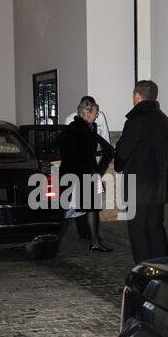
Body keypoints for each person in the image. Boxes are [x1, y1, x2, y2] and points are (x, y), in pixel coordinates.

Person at [114, 80, 168, 264]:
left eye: (133, 96)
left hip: (137, 184)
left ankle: (143, 271)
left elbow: (123, 151)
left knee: (138, 229)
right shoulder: (164, 121)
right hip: (158, 184)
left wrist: (118, 164)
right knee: (155, 227)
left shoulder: (136, 121)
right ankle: (161, 269)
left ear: (137, 96)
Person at [59, 98, 114, 252]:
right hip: (86, 174)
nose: (97, 116)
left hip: (69, 173)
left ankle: (54, 241)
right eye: (95, 113)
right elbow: (107, 151)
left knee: (65, 208)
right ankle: (94, 241)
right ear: (88, 114)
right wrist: (98, 171)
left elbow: (61, 144)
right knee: (91, 208)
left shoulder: (70, 128)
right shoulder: (88, 130)